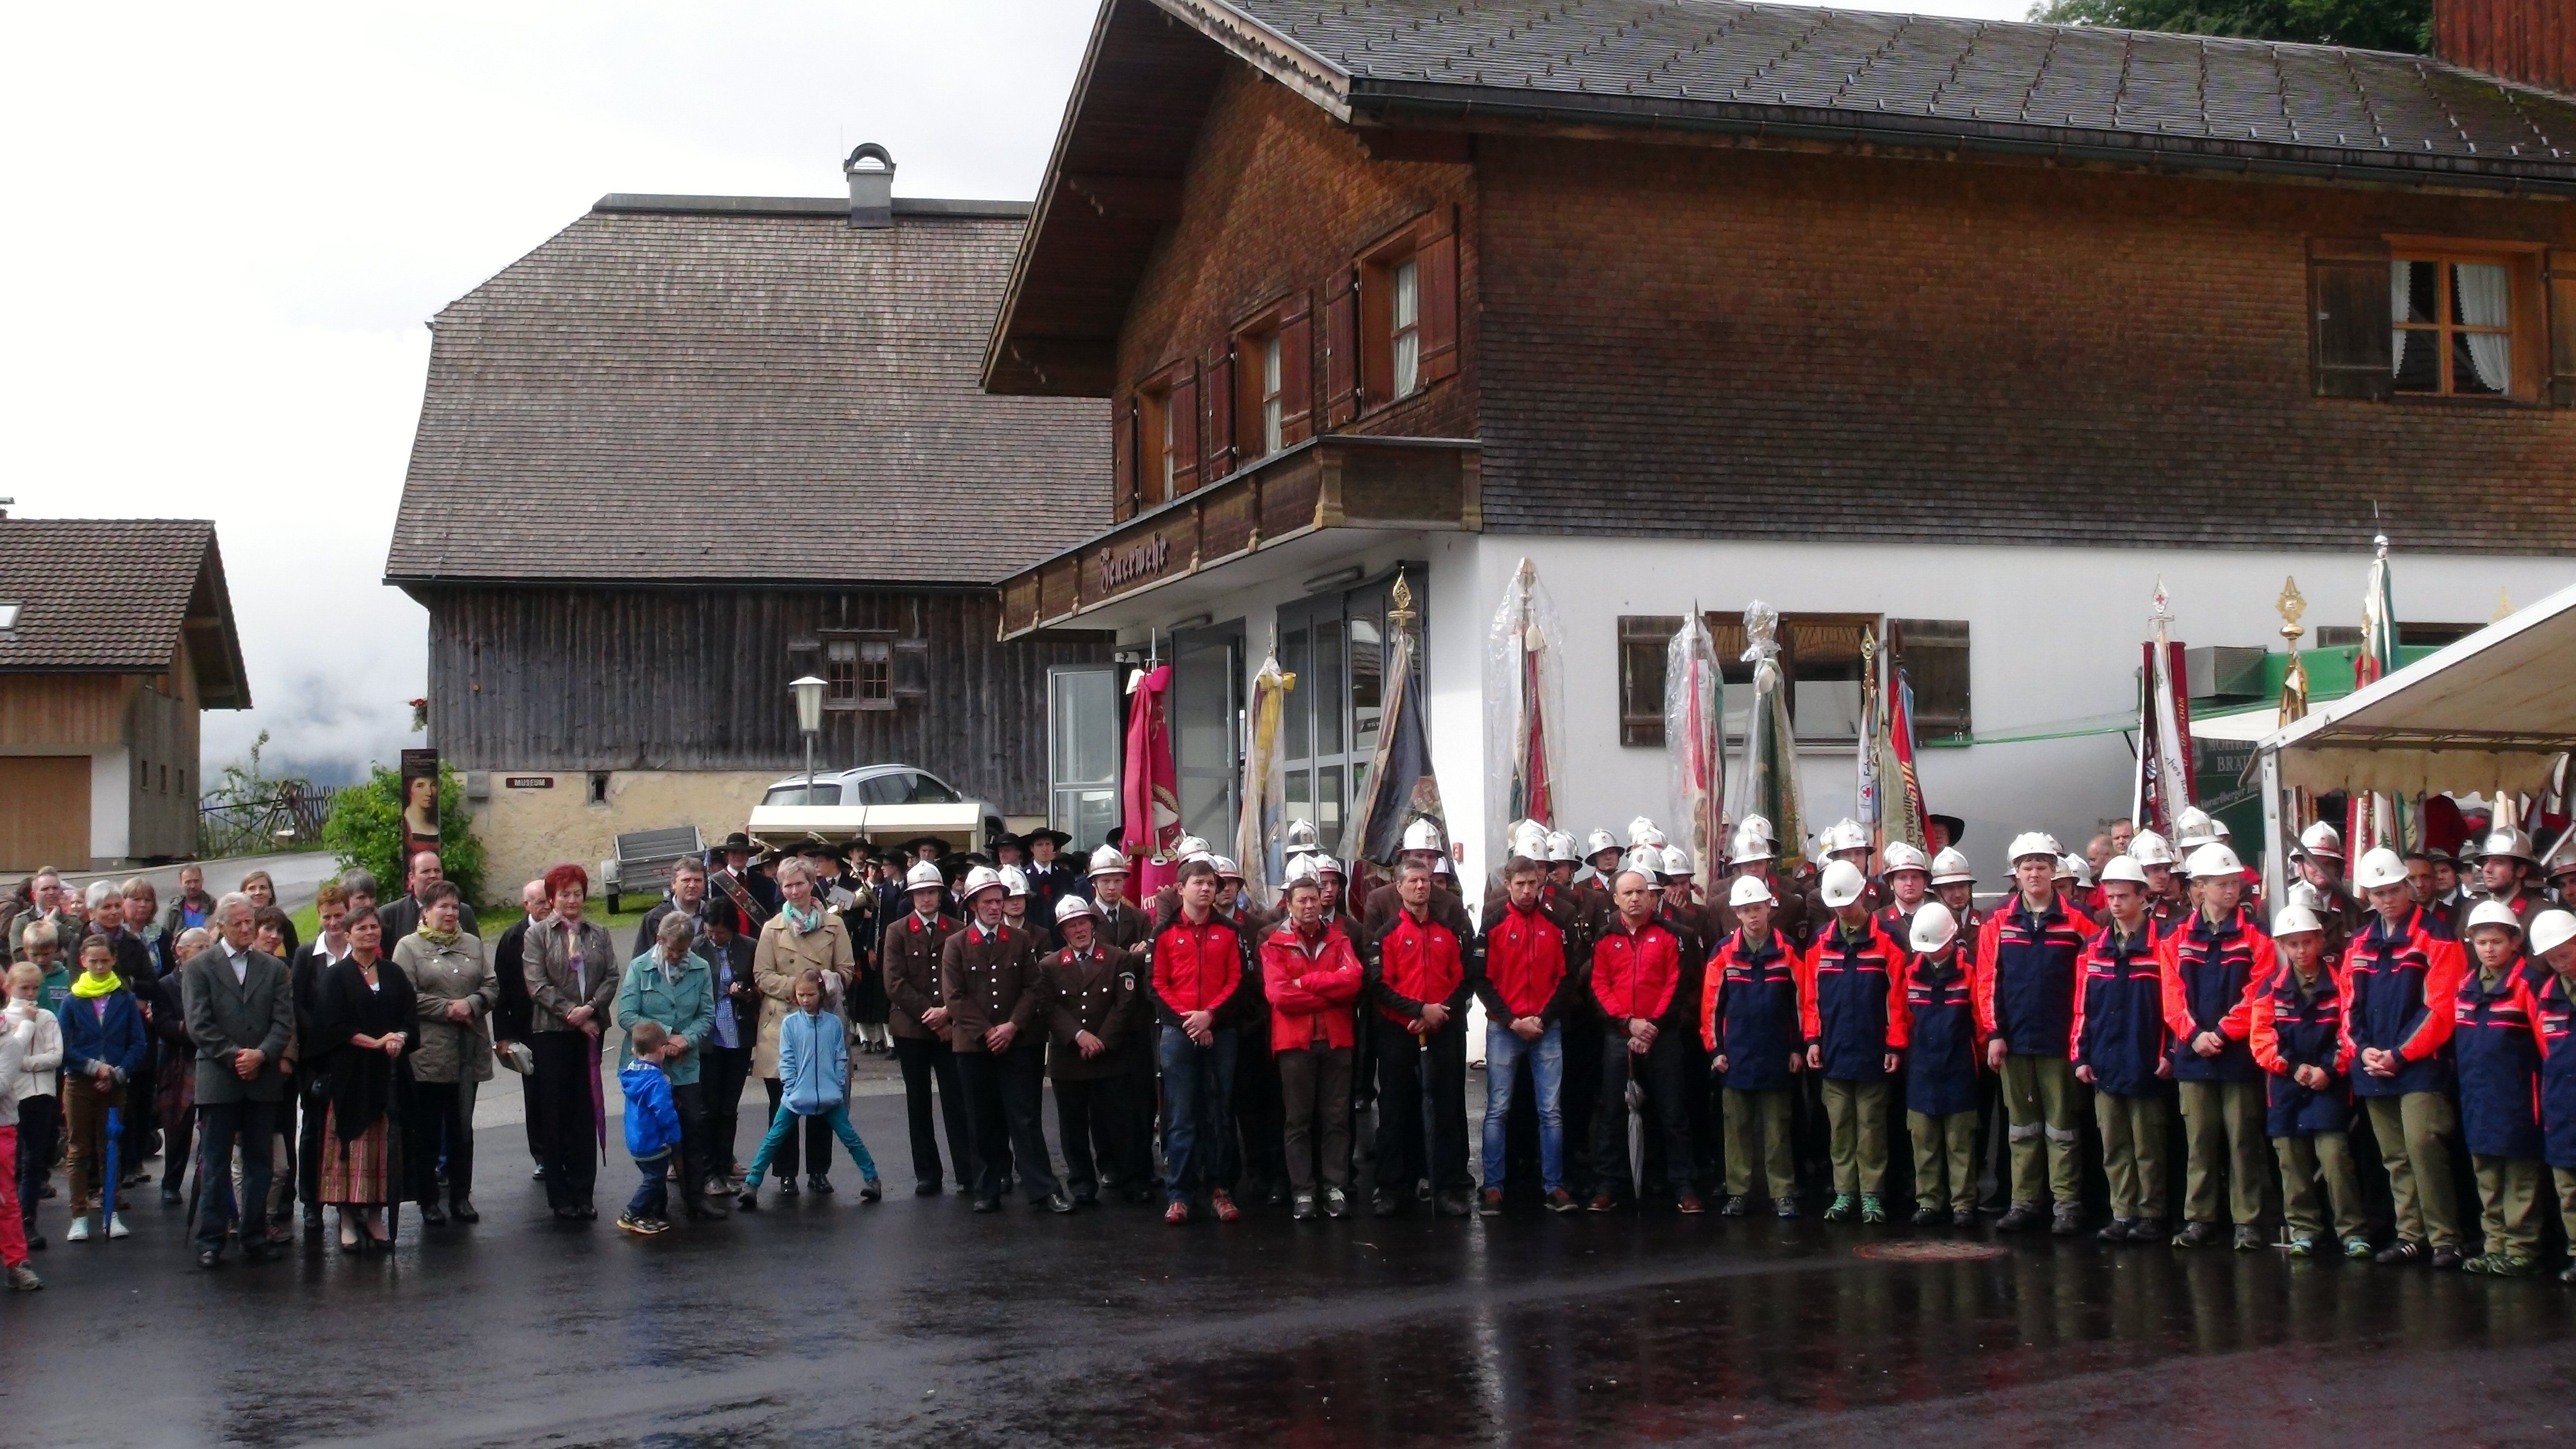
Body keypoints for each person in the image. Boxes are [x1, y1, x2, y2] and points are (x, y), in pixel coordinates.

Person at [2343, 847, 2468, 1268]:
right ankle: (2411, 1235)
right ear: (2369, 896)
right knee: (2395, 1156)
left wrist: (2400, 1054)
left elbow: (2441, 1007)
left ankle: (2446, 1238)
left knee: (2424, 1147)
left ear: (2409, 887)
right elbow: (2348, 1005)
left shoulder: (2437, 937)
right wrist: (2361, 1048)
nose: (2388, 899)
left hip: (2420, 1066)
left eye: (2394, 889)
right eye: (2379, 893)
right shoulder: (2359, 942)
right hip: (2375, 1064)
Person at [2159, 843, 2276, 1251]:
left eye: (2234, 883)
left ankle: (2247, 1220)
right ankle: (2200, 1217)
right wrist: (2194, 1034)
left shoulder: (2257, 934)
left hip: (2238, 1055)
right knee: (2200, 1141)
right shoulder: (2175, 935)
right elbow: (2171, 995)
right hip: (2194, 1055)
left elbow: (2259, 991)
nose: (2231, 890)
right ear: (2200, 887)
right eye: (2221, 883)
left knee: (2243, 1140)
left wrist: (2223, 1033)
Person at [1974, 832, 2091, 1235]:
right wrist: (1994, 1033)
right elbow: (1987, 981)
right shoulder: (1998, 921)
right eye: (2028, 866)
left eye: (2042, 865)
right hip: (2015, 1042)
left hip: (2060, 1041)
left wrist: (2080, 1039)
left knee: (2062, 1129)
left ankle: (2066, 1205)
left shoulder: (2078, 920)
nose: (2035, 872)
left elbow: (2089, 984)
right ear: (2016, 873)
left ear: (2054, 870)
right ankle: (2024, 1202)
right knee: (2022, 1130)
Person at [942, 865, 1070, 1215]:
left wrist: (1012, 1026)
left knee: (1025, 1119)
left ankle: (1043, 1189)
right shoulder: (956, 944)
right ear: (972, 905)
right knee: (982, 1120)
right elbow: (955, 996)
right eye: (988, 902)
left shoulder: (1020, 940)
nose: (996, 907)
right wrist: (987, 1032)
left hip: (1017, 1043)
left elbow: (1034, 987)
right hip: (975, 1046)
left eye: (999, 901)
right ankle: (987, 1189)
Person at [179, 893, 295, 1269]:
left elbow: (284, 1022)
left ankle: (254, 1235)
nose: (247, 929)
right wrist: (235, 1057)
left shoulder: (273, 968)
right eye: (239, 924)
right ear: (221, 928)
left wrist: (261, 1055)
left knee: (261, 1163)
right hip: (219, 1078)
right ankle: (211, 1240)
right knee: (215, 1163)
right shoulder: (200, 968)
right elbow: (199, 1025)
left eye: (250, 922)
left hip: (262, 1078)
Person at [2250, 905, 2371, 1260]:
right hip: (2286, 1088)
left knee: (2336, 1158)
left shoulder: (2341, 984)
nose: (2301, 950)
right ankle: (2303, 1230)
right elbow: (2261, 1039)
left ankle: (2352, 1231)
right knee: (2291, 1162)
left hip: (2329, 1086)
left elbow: (2350, 1031)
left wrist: (2329, 1070)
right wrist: (2292, 1068)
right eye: (2293, 944)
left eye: (2307, 942)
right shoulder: (2270, 989)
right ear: (2282, 947)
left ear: (2320, 940)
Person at [1364, 857, 1475, 1218]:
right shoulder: (1387, 935)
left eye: (1425, 880)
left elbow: (1463, 980)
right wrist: (1417, 1011)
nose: (1420, 886)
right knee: (1395, 1109)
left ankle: (1445, 1187)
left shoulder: (1448, 932)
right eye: (1412, 881)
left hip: (1442, 1029)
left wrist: (1439, 1012)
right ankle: (1391, 1187)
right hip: (1399, 1033)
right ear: (1399, 887)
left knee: (1445, 1109)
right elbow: (1380, 986)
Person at [1801, 860, 1908, 1225]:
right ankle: (1845, 1191)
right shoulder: (1820, 942)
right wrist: (1812, 1040)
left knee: (1872, 1127)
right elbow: (1811, 998)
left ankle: (1872, 1195)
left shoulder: (1888, 940)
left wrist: (1895, 1045)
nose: (1844, 910)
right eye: (1837, 904)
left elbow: (1898, 999)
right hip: (1833, 1051)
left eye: (1848, 901)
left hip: (1873, 1050)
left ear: (1863, 893)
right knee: (1840, 1127)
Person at [2073, 856, 2173, 1243]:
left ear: (2142, 896)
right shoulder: (2094, 948)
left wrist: (2171, 1052)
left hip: (2146, 1059)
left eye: (2123, 896)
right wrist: (2081, 1056)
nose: (2115, 903)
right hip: (2106, 1059)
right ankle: (2122, 1212)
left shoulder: (2162, 944)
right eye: (2110, 896)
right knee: (2114, 1144)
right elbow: (2082, 1007)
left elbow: (2174, 1005)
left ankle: (2152, 1213)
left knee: (2149, 1145)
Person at [1472, 852, 1577, 1216]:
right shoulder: (1493, 924)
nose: (1528, 891)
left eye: (1533, 883)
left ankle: (1554, 1186)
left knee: (1551, 1112)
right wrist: (1512, 1021)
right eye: (1521, 884)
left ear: (1541, 882)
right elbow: (1481, 979)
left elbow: (1567, 978)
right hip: (1505, 1029)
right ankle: (1493, 1186)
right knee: (1498, 1110)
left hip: (1546, 1028)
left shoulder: (1556, 924)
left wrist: (1543, 1019)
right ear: (1508, 885)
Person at [1152, 859, 1253, 1225]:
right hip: (1178, 1033)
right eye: (1199, 883)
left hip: (1220, 1031)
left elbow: (1238, 981)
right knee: (1180, 1116)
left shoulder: (1230, 932)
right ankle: (1179, 1194)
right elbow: (1157, 985)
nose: (1208, 889)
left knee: (1219, 1113)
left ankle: (1220, 1189)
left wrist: (1210, 1016)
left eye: (1212, 883)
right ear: (1181, 889)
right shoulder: (1164, 933)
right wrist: (1191, 1021)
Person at [2452, 901, 2547, 1276]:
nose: (2489, 950)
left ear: (2514, 942)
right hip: (2477, 1096)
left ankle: (2522, 1247)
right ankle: (2495, 1246)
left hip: (2519, 1097)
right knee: (2487, 1176)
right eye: (2482, 943)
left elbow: (2547, 1046)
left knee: (2521, 1176)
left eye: (2497, 942)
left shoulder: (2529, 984)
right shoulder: (2465, 986)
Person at [313, 909, 415, 1251]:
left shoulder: (394, 973)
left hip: (388, 1076)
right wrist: (373, 1042)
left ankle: (375, 1218)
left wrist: (398, 1038)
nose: (370, 932)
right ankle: (347, 1219)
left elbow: (409, 1019)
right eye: (362, 928)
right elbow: (331, 1026)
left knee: (383, 1150)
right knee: (351, 1148)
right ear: (348, 934)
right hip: (351, 1077)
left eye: (374, 927)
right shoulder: (336, 977)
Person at [754, 856, 857, 1197]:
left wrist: (823, 987)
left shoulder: (834, 925)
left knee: (822, 1101)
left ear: (813, 884)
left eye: (800, 883)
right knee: (782, 1104)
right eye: (788, 885)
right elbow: (762, 976)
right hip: (781, 1025)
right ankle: (786, 1173)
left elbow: (847, 970)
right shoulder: (771, 929)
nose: (795, 891)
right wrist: (799, 989)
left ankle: (818, 1171)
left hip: (821, 1023)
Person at [394, 880, 494, 1227]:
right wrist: (448, 1008)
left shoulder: (473, 945)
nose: (451, 913)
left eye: (455, 907)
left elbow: (492, 985)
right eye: (443, 907)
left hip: (467, 1052)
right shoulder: (408, 947)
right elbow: (405, 995)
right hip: (428, 1055)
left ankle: (461, 1197)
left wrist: (473, 1004)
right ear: (425, 912)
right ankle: (428, 1200)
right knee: (427, 1131)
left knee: (461, 1128)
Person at [738, 970, 882, 1208]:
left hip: (829, 1095)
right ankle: (752, 1185)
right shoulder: (790, 1024)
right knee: (773, 1139)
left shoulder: (833, 1025)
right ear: (795, 996)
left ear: (821, 994)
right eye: (801, 995)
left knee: (851, 1139)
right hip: (796, 1095)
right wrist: (791, 1086)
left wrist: (837, 1085)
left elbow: (841, 1057)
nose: (805, 1000)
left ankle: (872, 1179)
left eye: (811, 995)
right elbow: (786, 1058)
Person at [1042, 894, 1147, 1208]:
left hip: (1110, 1054)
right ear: (1063, 932)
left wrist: (1101, 1040)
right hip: (1069, 1057)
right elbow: (1048, 1007)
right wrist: (1080, 1036)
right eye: (1071, 926)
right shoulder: (1049, 966)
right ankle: (1082, 1184)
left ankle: (1132, 1180)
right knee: (1073, 1127)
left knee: (1121, 1123)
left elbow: (1125, 1004)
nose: (1079, 930)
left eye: (1083, 923)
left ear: (1093, 924)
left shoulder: (1118, 958)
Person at [1701, 874, 1798, 1217]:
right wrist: (1716, 1050)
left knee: (1778, 1128)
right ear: (1736, 913)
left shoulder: (1788, 950)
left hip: (1777, 1051)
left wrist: (1798, 1048)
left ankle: (1782, 1192)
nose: (1752, 915)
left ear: (1769, 907)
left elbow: (1801, 1004)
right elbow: (1711, 1006)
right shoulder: (1723, 952)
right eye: (1745, 910)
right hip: (1737, 1054)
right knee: (1736, 1127)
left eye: (1757, 908)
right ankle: (1737, 1192)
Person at [526, 864, 617, 1221]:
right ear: (552, 899)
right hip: (552, 1033)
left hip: (591, 1029)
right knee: (555, 1114)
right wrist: (571, 1013)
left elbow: (611, 976)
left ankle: (584, 1192)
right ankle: (560, 1195)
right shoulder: (538, 936)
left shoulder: (599, 933)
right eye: (565, 894)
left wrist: (591, 1009)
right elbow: (536, 984)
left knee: (584, 1113)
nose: (572, 900)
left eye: (577, 894)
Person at [616, 910, 720, 1223]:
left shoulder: (701, 968)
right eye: (672, 950)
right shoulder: (640, 968)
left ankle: (695, 1198)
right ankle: (654, 1204)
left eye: (682, 951)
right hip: (648, 1067)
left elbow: (706, 1015)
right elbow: (626, 1015)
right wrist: (664, 1038)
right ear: (659, 940)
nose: (676, 957)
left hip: (685, 1062)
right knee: (654, 1133)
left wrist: (685, 1040)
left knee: (692, 1128)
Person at [882, 859, 969, 1196]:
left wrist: (947, 1013)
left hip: (950, 1025)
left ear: (941, 894)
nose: (926, 898)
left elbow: (964, 978)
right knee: (918, 1103)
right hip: (912, 1028)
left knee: (956, 1101)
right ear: (911, 897)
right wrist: (929, 1014)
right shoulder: (897, 930)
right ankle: (927, 1173)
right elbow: (895, 983)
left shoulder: (957, 928)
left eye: (932, 892)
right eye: (920, 893)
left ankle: (966, 1171)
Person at [57, 934, 143, 1243]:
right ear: (83, 962)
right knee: (78, 1148)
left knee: (110, 1146)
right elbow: (63, 1047)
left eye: (105, 961)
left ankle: (111, 1211)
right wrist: (94, 1068)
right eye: (93, 961)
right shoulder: (72, 1000)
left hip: (115, 1083)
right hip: (80, 1083)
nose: (100, 967)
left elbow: (138, 1043)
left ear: (114, 960)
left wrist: (118, 1073)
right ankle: (79, 1215)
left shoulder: (125, 998)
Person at [1899, 903, 1981, 1228]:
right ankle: (1929, 1201)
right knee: (1924, 1140)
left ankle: (1963, 1203)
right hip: (1921, 1068)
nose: (1931, 954)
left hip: (1959, 1066)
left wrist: (1983, 1053)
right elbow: (1903, 1018)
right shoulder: (1911, 973)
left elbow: (1980, 1020)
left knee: (1960, 1142)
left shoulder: (1969, 971)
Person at [291, 886, 352, 1234]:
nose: (333, 923)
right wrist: (321, 1035)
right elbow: (297, 1002)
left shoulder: (360, 951)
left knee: (350, 1128)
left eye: (339, 915)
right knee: (314, 1131)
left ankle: (350, 1201)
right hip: (315, 1057)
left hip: (353, 1054)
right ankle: (311, 1203)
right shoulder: (306, 955)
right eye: (326, 917)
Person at [2524, 910, 2576, 1284]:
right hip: (2562, 1102)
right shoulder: (2547, 994)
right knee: (2568, 1188)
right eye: (2552, 958)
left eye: (2565, 954)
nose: (2560, 963)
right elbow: (2545, 1048)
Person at [698, 901, 759, 1195]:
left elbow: (759, 987)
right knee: (708, 1108)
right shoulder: (696, 949)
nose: (714, 938)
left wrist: (746, 993)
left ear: (732, 929)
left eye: (721, 933)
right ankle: (708, 1172)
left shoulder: (749, 947)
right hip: (708, 1040)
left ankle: (725, 1168)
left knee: (728, 1108)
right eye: (710, 932)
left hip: (738, 1036)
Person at [490, 878, 548, 1179]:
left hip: (560, 1027)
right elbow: (500, 992)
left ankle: (566, 1150)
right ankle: (542, 1155)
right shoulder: (512, 939)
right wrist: (503, 1037)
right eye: (539, 902)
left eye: (549, 900)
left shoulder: (565, 931)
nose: (546, 906)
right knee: (535, 1094)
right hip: (527, 1030)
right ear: (526, 905)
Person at [6, 961, 63, 1255]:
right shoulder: (6, 1019)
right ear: (9, 988)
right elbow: (9, 1055)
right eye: (23, 988)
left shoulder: (47, 1017)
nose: (30, 994)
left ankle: (27, 1220)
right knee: (12, 1162)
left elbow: (56, 1056)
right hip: (13, 1097)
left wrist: (25, 1064)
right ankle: (10, 1224)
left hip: (41, 1096)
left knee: (34, 1162)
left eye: (34, 989)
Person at [2, 965, 54, 1290]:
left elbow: (3, 1080)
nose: (31, 994)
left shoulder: (9, 1035)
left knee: (7, 1199)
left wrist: (26, 1030)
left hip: (4, 1125)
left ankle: (17, 1262)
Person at [616, 1019, 682, 1237]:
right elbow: (665, 1113)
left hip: (637, 1139)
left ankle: (654, 1212)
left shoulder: (632, 1075)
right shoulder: (657, 1083)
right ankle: (633, 1213)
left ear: (634, 1050)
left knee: (654, 1177)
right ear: (661, 1050)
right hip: (654, 1140)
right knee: (654, 1180)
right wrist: (674, 1137)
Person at [379, 850, 481, 947]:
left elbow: (475, 951)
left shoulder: (464, 912)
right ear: (412, 878)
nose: (433, 876)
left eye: (437, 871)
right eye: (426, 872)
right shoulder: (390, 915)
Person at [635, 857, 709, 960]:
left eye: (698, 880)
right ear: (674, 884)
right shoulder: (655, 918)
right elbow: (640, 961)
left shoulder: (715, 915)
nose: (692, 885)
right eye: (686, 880)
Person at [239, 870, 300, 960]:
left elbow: (295, 958)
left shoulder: (285, 925)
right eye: (252, 889)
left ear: (271, 893)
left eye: (263, 888)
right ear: (243, 894)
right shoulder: (235, 925)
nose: (258, 893)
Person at [164, 863, 215, 937]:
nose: (193, 886)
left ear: (202, 881)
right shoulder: (174, 910)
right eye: (188, 882)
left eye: (196, 881)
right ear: (181, 884)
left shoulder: (213, 906)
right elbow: (166, 938)